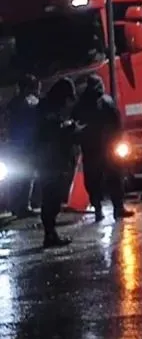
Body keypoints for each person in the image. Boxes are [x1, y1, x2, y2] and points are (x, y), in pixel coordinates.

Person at [74, 75, 132, 221]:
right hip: (103, 147)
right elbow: (117, 122)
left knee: (97, 179)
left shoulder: (84, 104)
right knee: (110, 178)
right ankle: (114, 208)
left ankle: (103, 209)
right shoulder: (104, 101)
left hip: (96, 147)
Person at [35, 77, 78, 248]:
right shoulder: (48, 110)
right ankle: (50, 234)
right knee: (51, 196)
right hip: (51, 160)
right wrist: (68, 128)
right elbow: (51, 131)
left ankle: (51, 233)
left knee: (52, 196)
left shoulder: (47, 107)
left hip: (49, 159)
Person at [5, 74, 41, 218]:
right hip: (28, 145)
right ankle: (24, 206)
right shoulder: (31, 102)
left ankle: (16, 205)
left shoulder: (12, 103)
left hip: (15, 145)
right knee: (27, 176)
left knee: (16, 177)